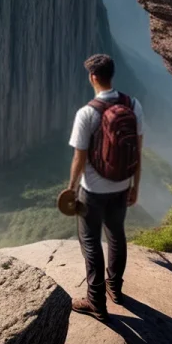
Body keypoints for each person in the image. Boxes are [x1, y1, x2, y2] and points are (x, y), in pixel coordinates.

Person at [67, 54, 143, 322]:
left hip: (93, 191)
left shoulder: (87, 113)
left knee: (90, 241)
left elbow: (80, 157)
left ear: (93, 77)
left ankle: (96, 302)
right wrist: (135, 185)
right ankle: (116, 289)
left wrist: (71, 188)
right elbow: (138, 150)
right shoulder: (133, 105)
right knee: (116, 235)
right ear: (112, 75)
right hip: (122, 186)